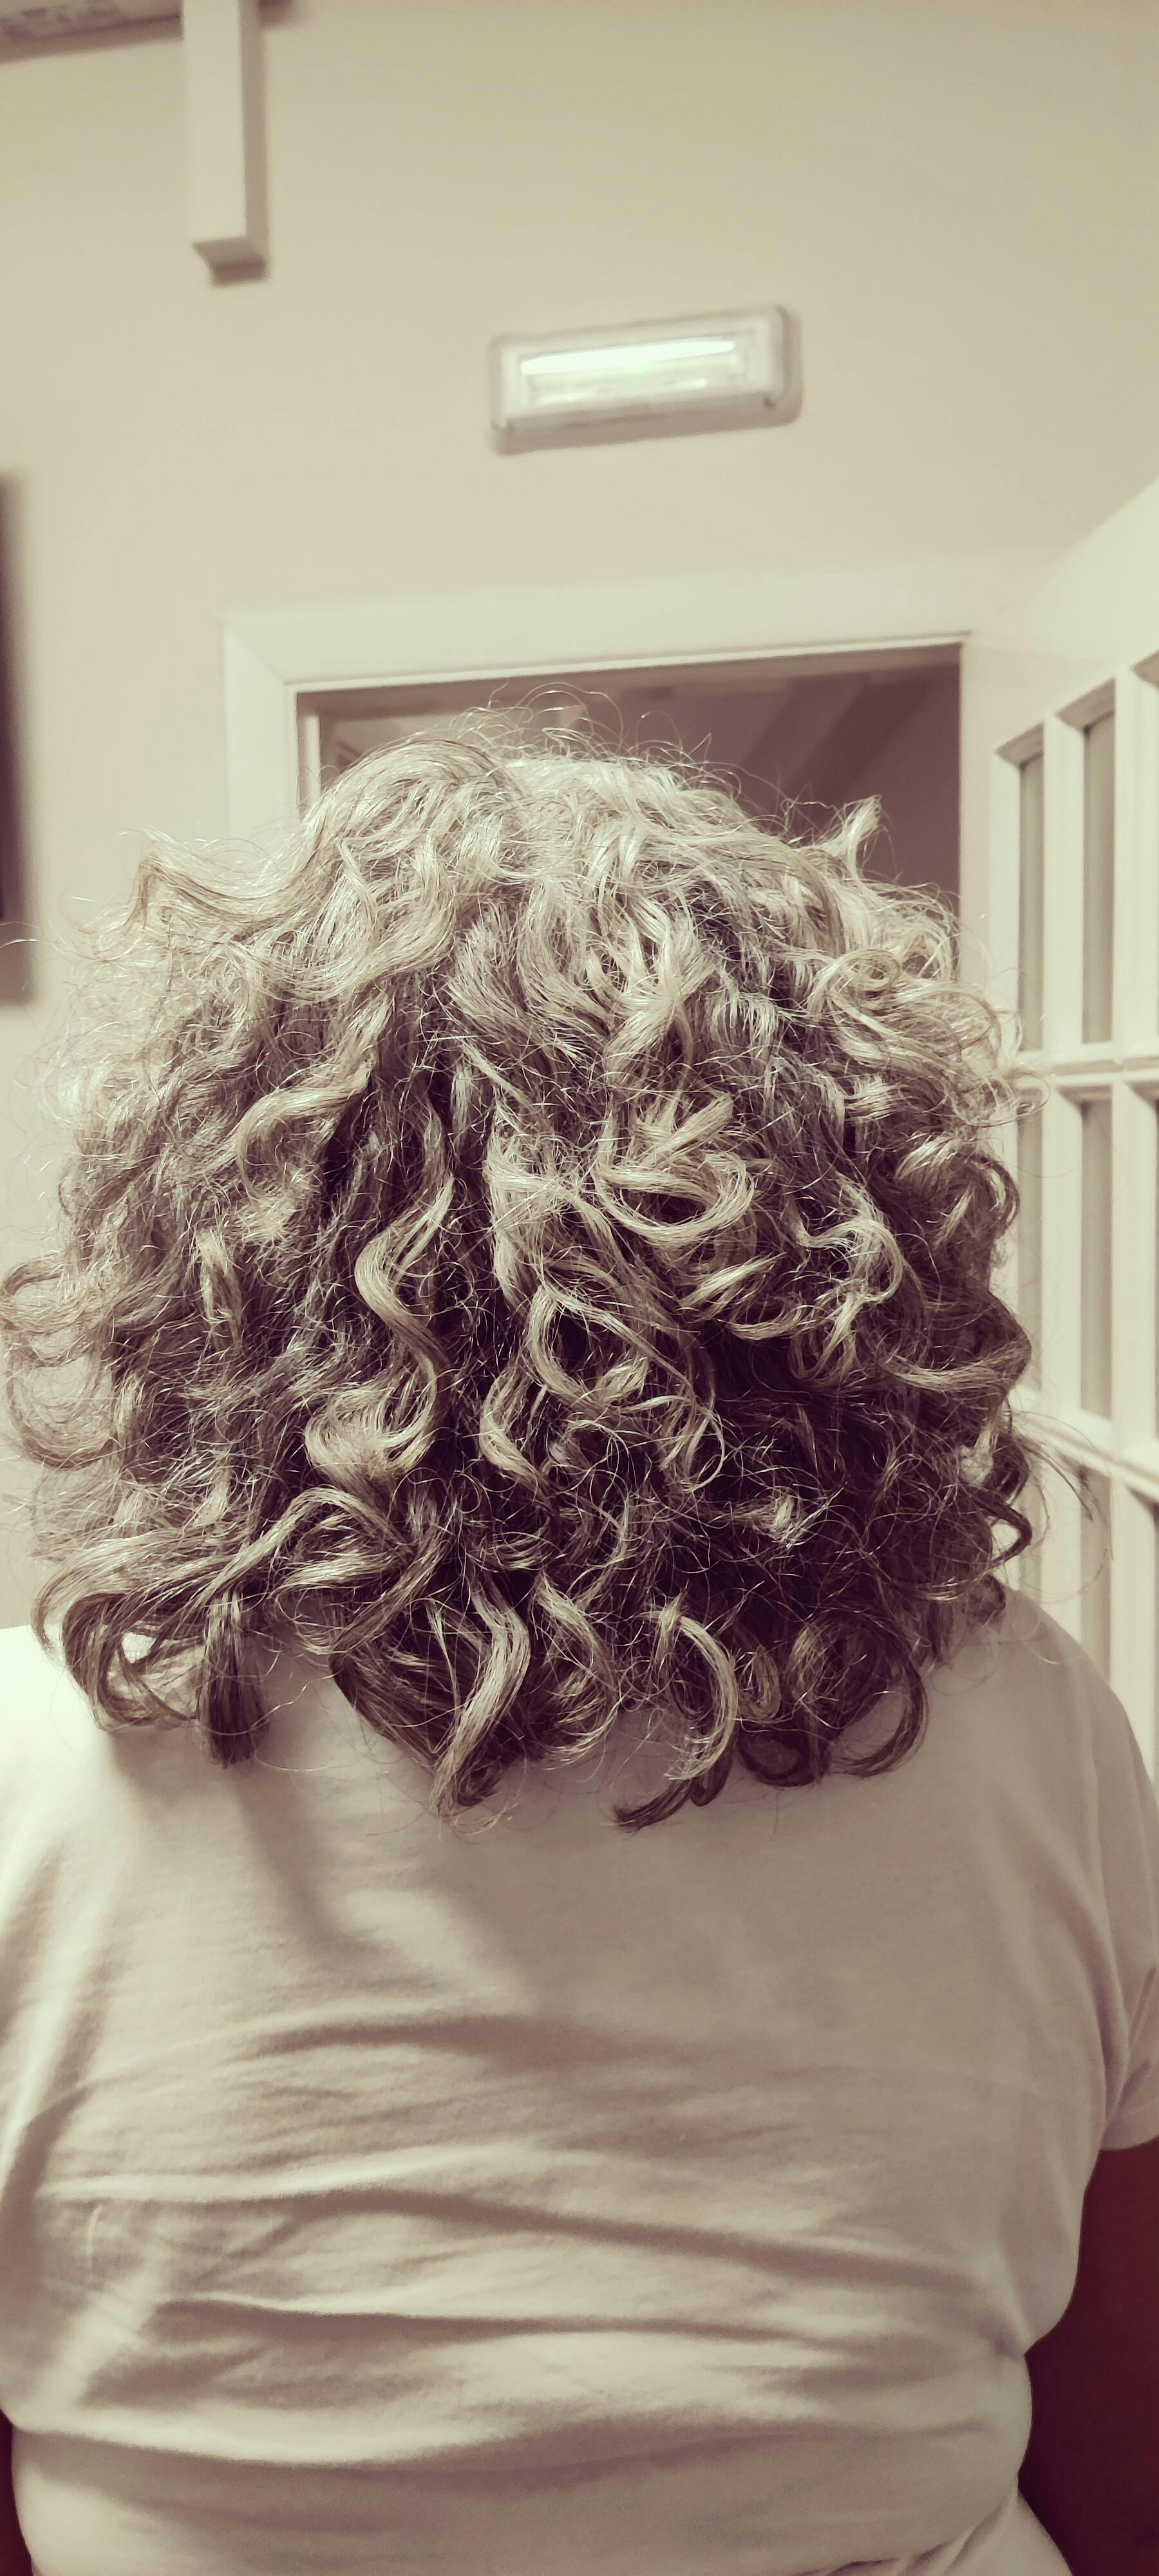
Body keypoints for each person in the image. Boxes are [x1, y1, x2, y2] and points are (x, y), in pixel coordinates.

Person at [0, 706, 1156, 2576]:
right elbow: (1121, 2451)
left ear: (223, 1222)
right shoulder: (1028, 1718)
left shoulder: (40, 1759)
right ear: (843, 1216)